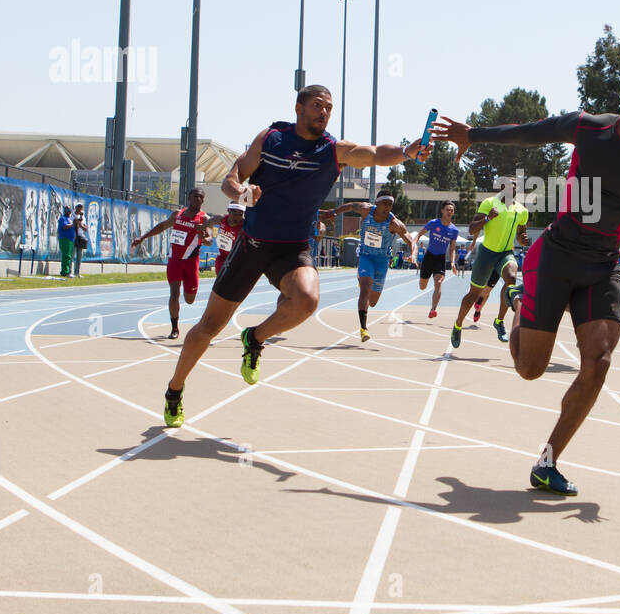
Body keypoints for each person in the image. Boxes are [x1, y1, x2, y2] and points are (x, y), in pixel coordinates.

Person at [432, 64, 620, 496]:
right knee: (529, 369)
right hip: (556, 257)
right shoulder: (589, 129)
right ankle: (516, 299)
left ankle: (547, 461)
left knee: (599, 361)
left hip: (602, 267)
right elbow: (531, 130)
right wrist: (473, 135)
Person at [161, 84, 430, 427]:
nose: (324, 112)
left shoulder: (332, 150)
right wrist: (244, 193)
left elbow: (375, 153)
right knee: (209, 326)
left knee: (307, 300)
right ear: (299, 107)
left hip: (294, 248)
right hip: (253, 245)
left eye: (329, 108)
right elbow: (231, 179)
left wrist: (407, 151)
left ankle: (254, 338)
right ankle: (175, 389)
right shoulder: (271, 139)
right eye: (318, 105)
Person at [450, 178, 530, 346]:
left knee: (511, 278)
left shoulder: (522, 211)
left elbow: (521, 236)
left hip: (505, 253)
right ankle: (458, 325)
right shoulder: (488, 203)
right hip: (486, 253)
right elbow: (472, 228)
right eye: (509, 185)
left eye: (515, 185)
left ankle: (499, 321)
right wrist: (487, 218)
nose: (512, 187)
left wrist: (523, 240)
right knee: (473, 295)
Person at [330, 191, 418, 341]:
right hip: (366, 256)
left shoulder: (394, 223)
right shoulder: (366, 210)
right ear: (376, 203)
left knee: (373, 301)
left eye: (390, 205)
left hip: (382, 262)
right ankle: (364, 329)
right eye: (385, 204)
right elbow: (351, 206)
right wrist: (333, 212)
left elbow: (411, 240)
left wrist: (414, 254)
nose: (387, 208)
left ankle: (365, 280)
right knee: (365, 287)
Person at [133, 187, 213, 340]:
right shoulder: (178, 215)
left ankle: (187, 294)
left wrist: (202, 235)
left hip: (191, 262)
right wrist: (142, 237)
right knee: (174, 293)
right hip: (174, 260)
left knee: (190, 299)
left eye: (201, 197)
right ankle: (174, 328)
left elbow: (209, 241)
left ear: (203, 200)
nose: (198, 199)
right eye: (195, 196)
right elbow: (162, 226)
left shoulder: (205, 218)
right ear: (189, 198)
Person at [418, 201, 460, 319]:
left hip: (440, 259)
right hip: (429, 257)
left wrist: (452, 262)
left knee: (439, 283)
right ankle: (423, 280)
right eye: (447, 209)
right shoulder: (433, 223)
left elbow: (452, 249)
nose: (449, 212)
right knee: (422, 286)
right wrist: (413, 245)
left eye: (451, 210)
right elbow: (419, 234)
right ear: (442, 211)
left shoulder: (454, 230)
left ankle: (433, 309)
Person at [205, 202, 246, 276]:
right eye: (234, 214)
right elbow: (207, 223)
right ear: (228, 211)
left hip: (237, 260)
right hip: (222, 258)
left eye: (240, 214)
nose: (236, 217)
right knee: (220, 284)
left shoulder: (245, 225)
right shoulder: (221, 219)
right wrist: (209, 236)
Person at [57, 206, 76, 277]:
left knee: (69, 256)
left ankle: (67, 271)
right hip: (65, 239)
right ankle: (65, 272)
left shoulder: (70, 219)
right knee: (66, 255)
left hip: (70, 239)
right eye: (67, 210)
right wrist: (72, 224)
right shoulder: (63, 219)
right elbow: (65, 227)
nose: (69, 211)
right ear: (65, 211)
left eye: (69, 210)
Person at [73, 203, 88, 277]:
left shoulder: (83, 217)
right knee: (72, 254)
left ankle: (77, 272)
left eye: (81, 207)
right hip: (73, 236)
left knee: (79, 256)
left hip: (80, 237)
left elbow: (85, 228)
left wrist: (80, 224)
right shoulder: (72, 215)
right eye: (78, 207)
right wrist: (76, 223)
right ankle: (69, 272)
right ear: (76, 207)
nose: (79, 209)